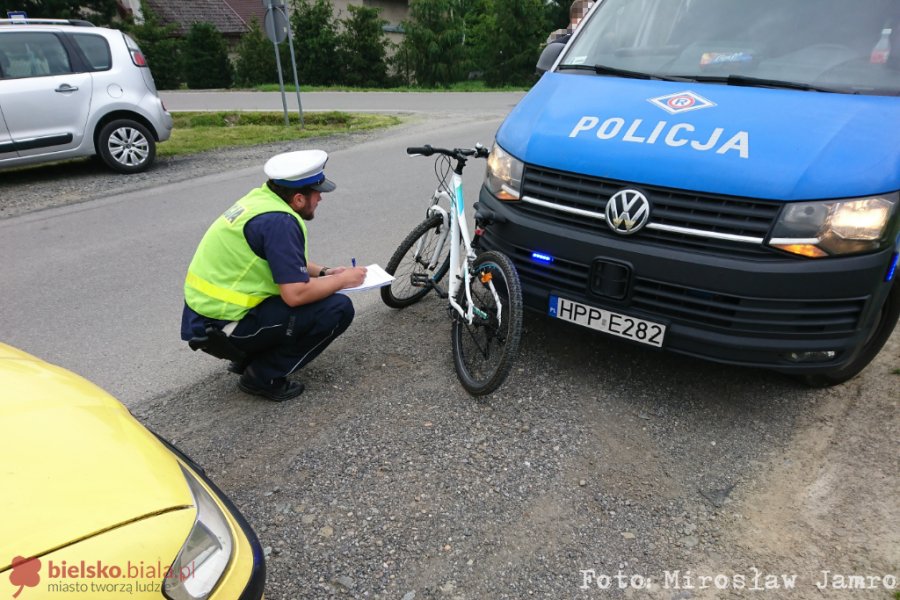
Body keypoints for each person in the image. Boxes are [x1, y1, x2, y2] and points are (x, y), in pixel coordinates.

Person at [181, 150, 367, 401]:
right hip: (222, 327)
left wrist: (326, 272)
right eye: (317, 193)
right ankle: (262, 375)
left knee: (321, 293)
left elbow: (280, 260)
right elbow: (295, 295)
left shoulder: (262, 201)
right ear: (299, 199)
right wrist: (344, 280)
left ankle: (251, 357)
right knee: (337, 308)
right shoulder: (281, 222)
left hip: (203, 317)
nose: (321, 198)